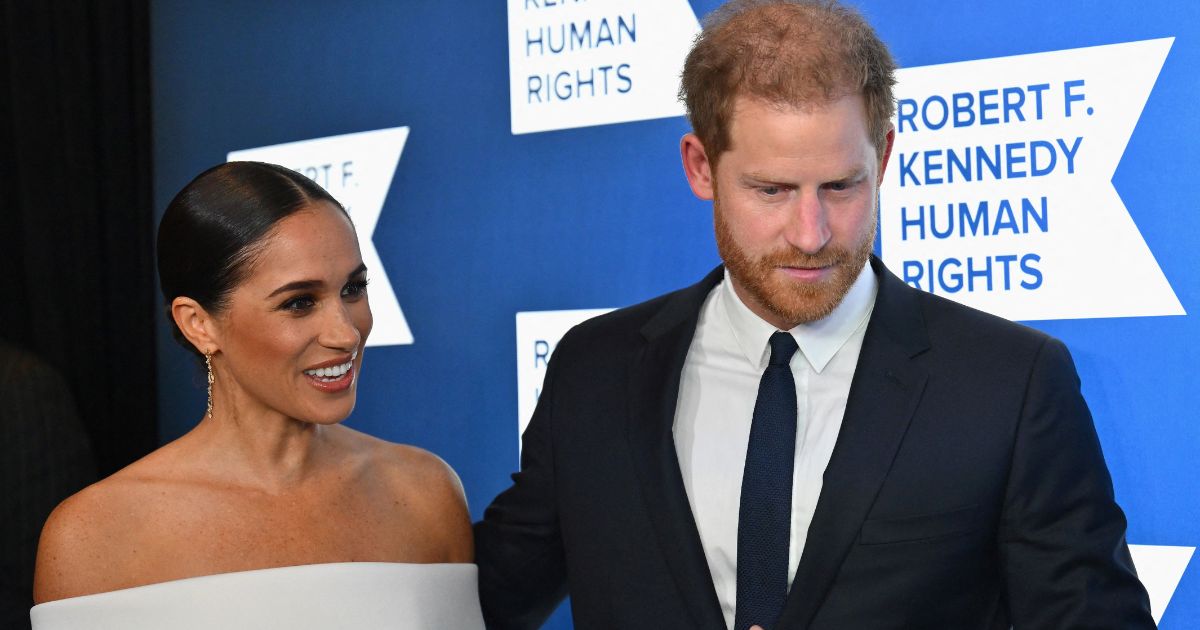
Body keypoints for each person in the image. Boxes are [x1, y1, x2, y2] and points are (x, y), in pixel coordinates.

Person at [473, 1, 1155, 629]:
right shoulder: (593, 371)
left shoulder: (1009, 384)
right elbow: (481, 598)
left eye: (840, 186)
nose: (810, 231)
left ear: (883, 157)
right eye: (770, 190)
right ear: (700, 166)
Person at [31, 161, 483, 629]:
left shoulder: (425, 493)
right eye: (299, 302)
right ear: (199, 324)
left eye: (353, 288)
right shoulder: (94, 534)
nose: (346, 333)